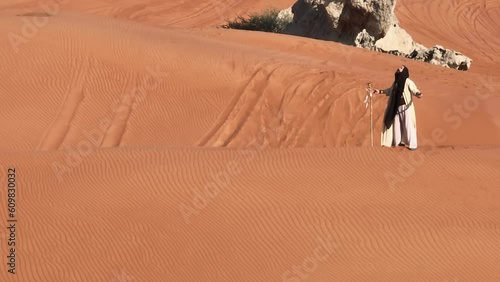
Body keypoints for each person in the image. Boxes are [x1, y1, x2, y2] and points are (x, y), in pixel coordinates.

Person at [372, 65, 422, 150]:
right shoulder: (396, 82)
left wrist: (418, 93)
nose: (399, 68)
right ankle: (398, 142)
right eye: (399, 68)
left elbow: (414, 89)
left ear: (405, 71)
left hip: (405, 107)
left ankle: (412, 145)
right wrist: (379, 91)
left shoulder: (407, 81)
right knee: (397, 125)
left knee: (408, 125)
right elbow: (390, 90)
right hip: (396, 107)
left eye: (401, 68)